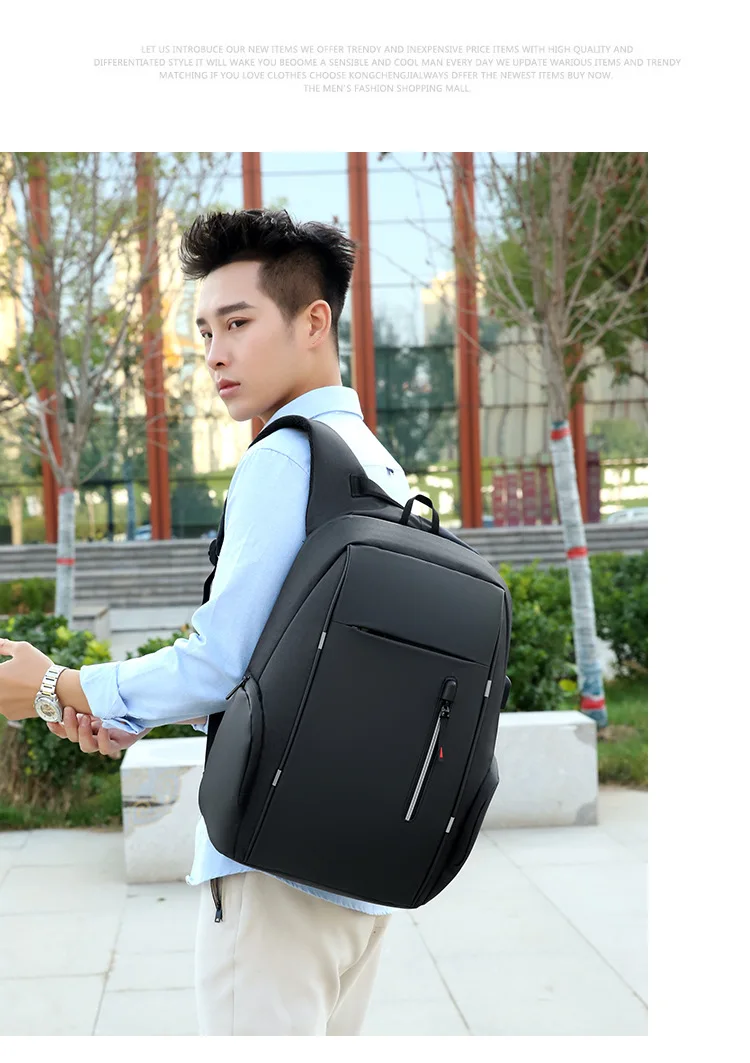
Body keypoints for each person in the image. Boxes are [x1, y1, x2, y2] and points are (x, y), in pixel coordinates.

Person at [0, 209, 416, 1036]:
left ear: (313, 322)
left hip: (274, 868)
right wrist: (131, 711)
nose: (215, 353)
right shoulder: (374, 460)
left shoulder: (284, 456)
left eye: (238, 323)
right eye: (204, 331)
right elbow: (288, 668)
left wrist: (57, 685)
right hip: (358, 869)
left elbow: (219, 664)